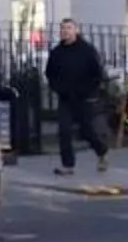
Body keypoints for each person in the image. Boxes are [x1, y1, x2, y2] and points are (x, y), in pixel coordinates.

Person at [44, 15, 110, 175]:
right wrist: (57, 88)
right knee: (64, 130)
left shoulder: (87, 50)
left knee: (86, 130)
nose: (65, 31)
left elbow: (97, 73)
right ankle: (68, 165)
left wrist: (89, 90)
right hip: (66, 98)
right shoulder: (57, 52)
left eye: (69, 28)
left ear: (76, 30)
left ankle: (101, 151)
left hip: (84, 98)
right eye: (63, 28)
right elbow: (50, 73)